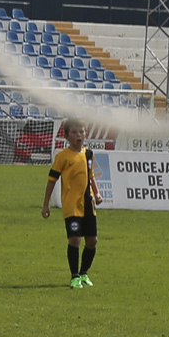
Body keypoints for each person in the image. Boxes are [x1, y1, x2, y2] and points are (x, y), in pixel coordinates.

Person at [40, 120, 101, 288]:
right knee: (74, 239)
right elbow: (52, 180)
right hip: (71, 205)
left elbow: (91, 175)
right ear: (66, 136)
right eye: (74, 132)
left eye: (81, 131)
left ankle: (84, 273)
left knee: (92, 241)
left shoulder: (88, 154)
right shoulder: (62, 157)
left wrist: (97, 193)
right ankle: (74, 276)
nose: (79, 135)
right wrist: (46, 205)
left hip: (88, 204)